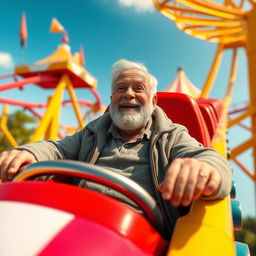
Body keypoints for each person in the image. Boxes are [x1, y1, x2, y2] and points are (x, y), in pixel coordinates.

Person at [0, 59, 232, 238]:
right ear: (111, 100)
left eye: (138, 88)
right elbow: (57, 149)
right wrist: (29, 153)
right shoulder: (92, 133)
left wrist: (201, 167)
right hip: (76, 222)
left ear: (153, 102)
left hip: (138, 233)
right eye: (121, 89)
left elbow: (210, 159)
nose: (128, 94)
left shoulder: (171, 136)